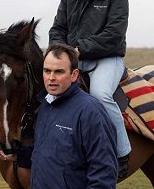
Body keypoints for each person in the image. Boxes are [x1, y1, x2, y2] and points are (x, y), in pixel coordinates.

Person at [48, 0, 131, 176]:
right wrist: (60, 51)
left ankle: (122, 152)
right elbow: (57, 29)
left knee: (100, 95)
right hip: (73, 59)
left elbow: (113, 36)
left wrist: (79, 49)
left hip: (107, 58)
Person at [30, 43, 118, 188]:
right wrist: (16, 156)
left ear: (74, 75)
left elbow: (104, 173)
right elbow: (44, 156)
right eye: (47, 71)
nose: (51, 77)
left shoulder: (91, 111)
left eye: (59, 71)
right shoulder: (44, 107)